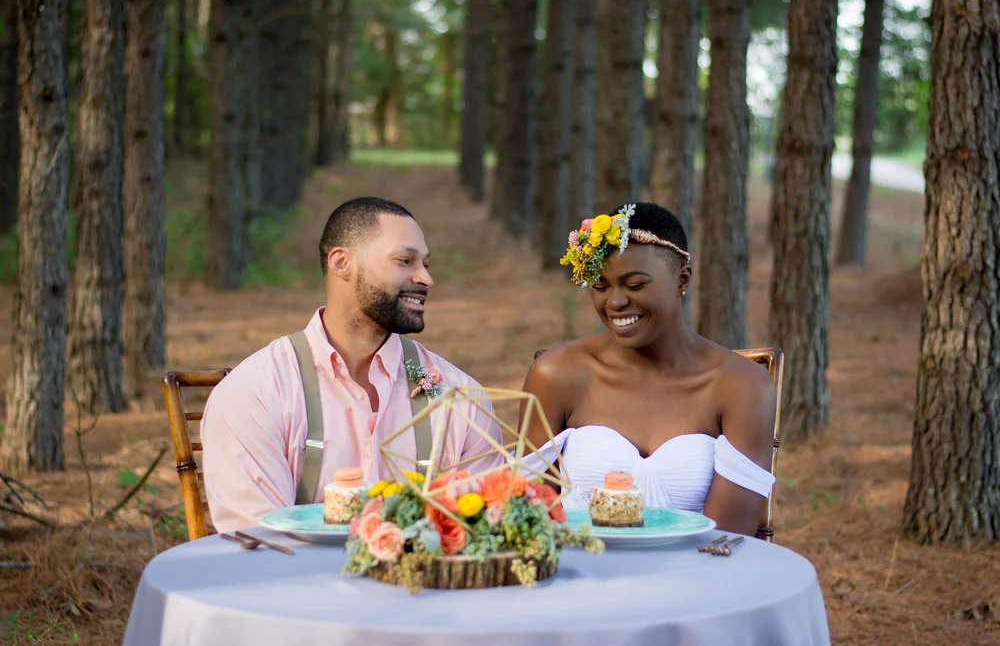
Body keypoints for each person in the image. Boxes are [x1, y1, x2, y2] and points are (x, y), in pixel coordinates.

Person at [202, 197, 503, 533]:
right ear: (342, 263)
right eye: (405, 260)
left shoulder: (461, 398)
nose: (425, 279)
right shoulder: (255, 395)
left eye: (426, 265)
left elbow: (485, 531)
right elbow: (260, 545)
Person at [520, 202, 775, 536]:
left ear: (683, 280)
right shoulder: (555, 375)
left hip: (697, 580)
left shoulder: (742, 386)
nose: (614, 302)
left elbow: (726, 540)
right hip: (579, 578)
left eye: (635, 285)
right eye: (600, 286)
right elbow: (530, 520)